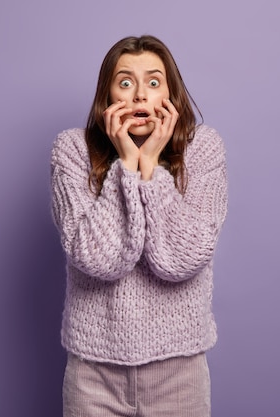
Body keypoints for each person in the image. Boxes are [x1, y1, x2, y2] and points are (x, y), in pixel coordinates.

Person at [50, 35, 228, 417]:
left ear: (171, 93)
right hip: (94, 374)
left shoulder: (204, 150)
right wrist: (127, 165)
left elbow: (183, 259)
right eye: (125, 82)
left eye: (153, 82)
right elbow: (98, 258)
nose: (139, 96)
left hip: (179, 373)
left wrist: (151, 167)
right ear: (108, 95)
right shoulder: (72, 151)